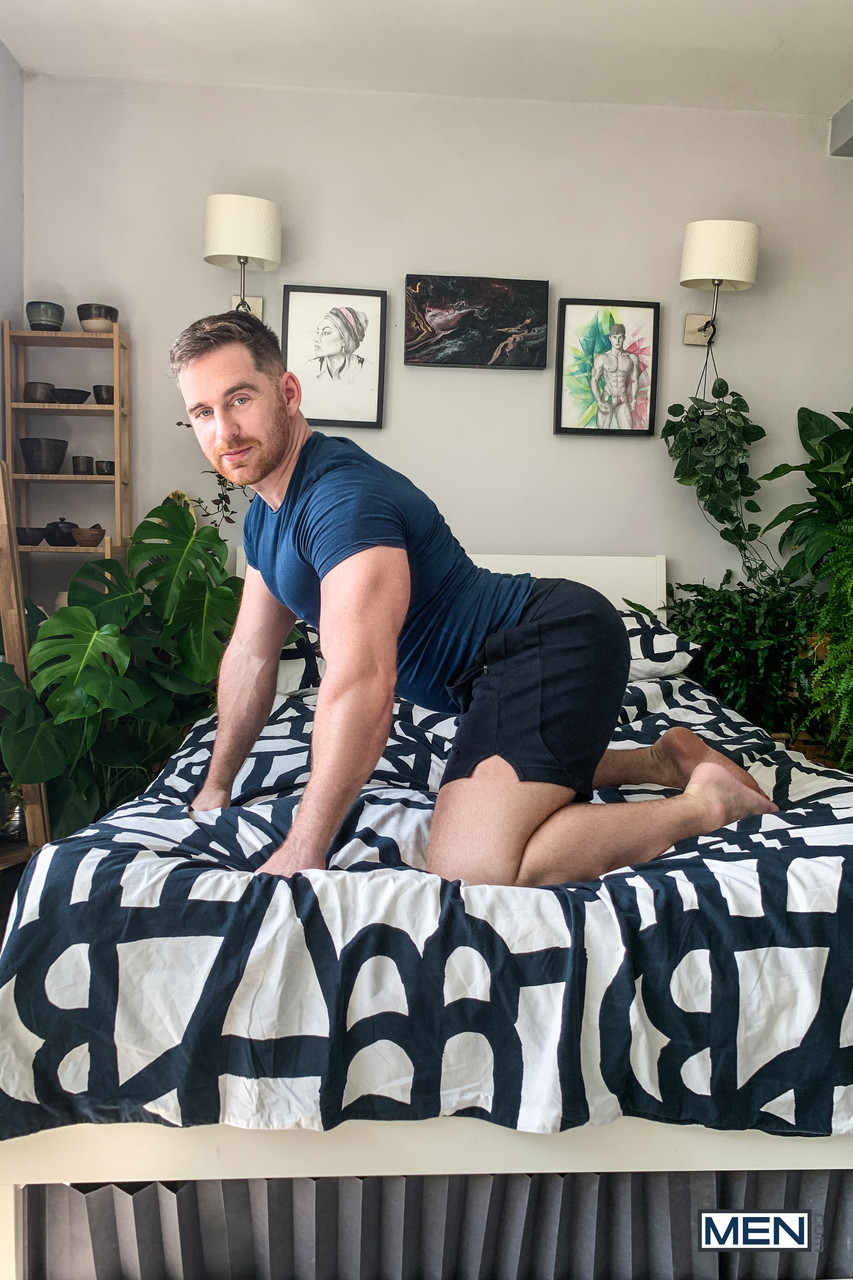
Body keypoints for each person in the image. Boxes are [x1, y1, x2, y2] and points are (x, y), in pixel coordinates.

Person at [171, 311, 775, 887]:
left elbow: (362, 680)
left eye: (240, 400)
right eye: (203, 412)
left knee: (472, 865)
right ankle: (660, 762)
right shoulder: (266, 516)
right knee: (492, 776)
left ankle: (706, 805)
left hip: (551, 638)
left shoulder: (342, 502)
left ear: (288, 392)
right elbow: (251, 655)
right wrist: (215, 789)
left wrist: (304, 847)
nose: (224, 431)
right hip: (491, 681)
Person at [590, 323, 639, 431]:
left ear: (624, 338)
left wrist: (634, 400)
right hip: (606, 400)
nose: (617, 341)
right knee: (601, 434)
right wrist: (598, 401)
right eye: (614, 337)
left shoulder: (632, 358)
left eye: (620, 337)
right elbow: (594, 379)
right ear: (610, 338)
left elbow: (635, 380)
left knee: (627, 433)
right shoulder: (602, 358)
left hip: (622, 400)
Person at [304, 306, 368, 385]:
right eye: (318, 332)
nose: (316, 339)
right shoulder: (308, 367)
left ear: (344, 340)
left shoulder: (364, 368)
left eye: (326, 333)